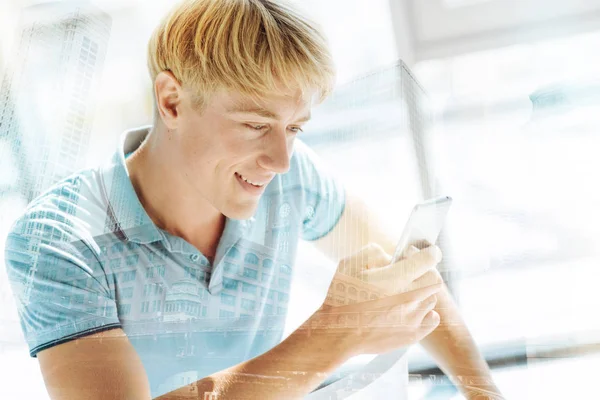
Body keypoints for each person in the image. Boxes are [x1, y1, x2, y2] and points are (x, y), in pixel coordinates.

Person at [4, 0, 503, 399]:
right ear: (171, 100)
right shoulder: (59, 241)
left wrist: (484, 392)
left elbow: (408, 275)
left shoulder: (288, 178)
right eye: (255, 125)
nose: (281, 158)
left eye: (293, 127)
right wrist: (330, 336)